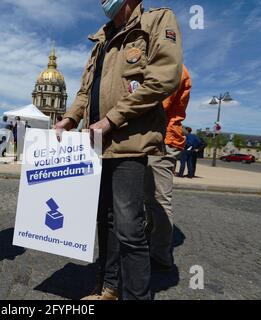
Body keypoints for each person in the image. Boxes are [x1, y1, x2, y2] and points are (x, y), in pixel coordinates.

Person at [56, 0, 183, 300]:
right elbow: (86, 91)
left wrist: (112, 119)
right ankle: (108, 288)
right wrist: (70, 118)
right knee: (104, 222)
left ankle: (137, 296)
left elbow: (164, 78)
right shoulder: (100, 40)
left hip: (129, 143)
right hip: (96, 146)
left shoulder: (157, 20)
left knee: (128, 228)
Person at [144, 65, 192, 272]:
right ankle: (150, 239)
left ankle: (161, 253)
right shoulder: (171, 66)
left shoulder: (173, 67)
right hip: (158, 139)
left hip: (163, 140)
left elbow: (159, 104)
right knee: (150, 196)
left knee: (160, 198)